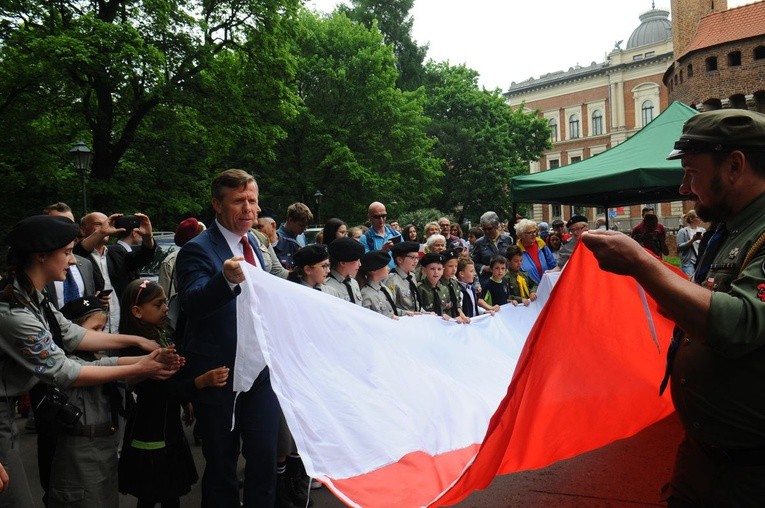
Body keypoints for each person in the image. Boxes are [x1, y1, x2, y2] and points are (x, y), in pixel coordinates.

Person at [581, 109, 765, 506]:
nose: (684, 188)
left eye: (692, 172)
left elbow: (741, 324)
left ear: (734, 165)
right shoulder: (731, 226)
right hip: (705, 456)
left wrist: (641, 264)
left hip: (751, 473)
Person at [0, 215, 179, 507]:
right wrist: (139, 366)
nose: (72, 262)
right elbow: (65, 370)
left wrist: (136, 342)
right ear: (42, 256)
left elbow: (72, 335)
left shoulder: (33, 299)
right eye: (68, 253)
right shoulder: (15, 314)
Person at [175, 169, 280, 507]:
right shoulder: (196, 250)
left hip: (260, 370)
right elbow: (191, 303)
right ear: (217, 205)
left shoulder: (256, 243)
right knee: (221, 465)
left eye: (252, 200)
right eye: (239, 201)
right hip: (219, 374)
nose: (249, 208)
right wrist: (225, 280)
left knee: (265, 458)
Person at [118, 279, 228, 508]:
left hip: (169, 428)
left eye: (165, 303)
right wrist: (200, 382)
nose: (166, 308)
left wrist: (186, 400)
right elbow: (160, 391)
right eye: (158, 305)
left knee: (172, 490)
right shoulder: (135, 350)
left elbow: (174, 380)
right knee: (151, 492)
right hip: (149, 431)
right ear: (137, 311)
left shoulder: (163, 333)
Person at [471, 211, 514, 286]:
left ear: (496, 226)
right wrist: (484, 268)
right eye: (484, 229)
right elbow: (474, 262)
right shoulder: (479, 243)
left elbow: (512, 258)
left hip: (506, 280)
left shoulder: (507, 240)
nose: (487, 231)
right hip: (488, 281)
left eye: (490, 229)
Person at [514, 219, 556, 285]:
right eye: (529, 233)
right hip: (529, 291)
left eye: (534, 232)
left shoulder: (542, 246)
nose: (533, 235)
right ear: (521, 235)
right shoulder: (516, 251)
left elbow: (553, 266)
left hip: (547, 287)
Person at [324, 237, 365, 304]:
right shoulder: (328, 287)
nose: (360, 264)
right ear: (343, 263)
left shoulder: (353, 283)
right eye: (356, 260)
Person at [358, 251, 398, 318]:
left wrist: (404, 312)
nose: (388, 268)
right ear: (374, 270)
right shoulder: (366, 295)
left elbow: (390, 310)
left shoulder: (385, 288)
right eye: (385, 266)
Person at [385, 241, 422, 314]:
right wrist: (405, 313)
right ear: (399, 260)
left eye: (417, 257)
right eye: (412, 258)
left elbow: (416, 303)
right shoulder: (392, 279)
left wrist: (424, 312)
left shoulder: (412, 276)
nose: (416, 261)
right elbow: (390, 308)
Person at [361, 202, 401, 268]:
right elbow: (365, 263)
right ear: (369, 217)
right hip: (378, 277)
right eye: (377, 217)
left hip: (397, 276)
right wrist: (382, 251)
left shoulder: (396, 234)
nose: (381, 220)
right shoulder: (365, 239)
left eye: (383, 216)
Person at [274, 203, 313, 270]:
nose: (304, 229)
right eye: (301, 225)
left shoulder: (301, 236)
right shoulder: (276, 238)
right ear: (290, 220)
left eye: (306, 226)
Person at [416, 253, 452, 321]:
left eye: (439, 269)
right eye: (432, 269)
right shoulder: (420, 288)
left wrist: (448, 317)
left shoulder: (444, 289)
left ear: (443, 270)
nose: (436, 272)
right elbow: (418, 309)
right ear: (424, 270)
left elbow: (448, 308)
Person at [440, 249, 470, 323]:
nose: (454, 269)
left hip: (456, 321)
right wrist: (452, 320)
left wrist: (463, 316)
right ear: (442, 267)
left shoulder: (454, 283)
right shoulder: (438, 285)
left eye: (456, 266)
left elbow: (457, 304)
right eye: (450, 266)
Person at [676, 210, 706, 278]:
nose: (700, 219)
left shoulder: (702, 230)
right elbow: (679, 247)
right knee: (690, 282)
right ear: (691, 219)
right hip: (688, 263)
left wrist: (703, 239)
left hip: (701, 261)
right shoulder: (683, 231)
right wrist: (692, 240)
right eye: (697, 217)